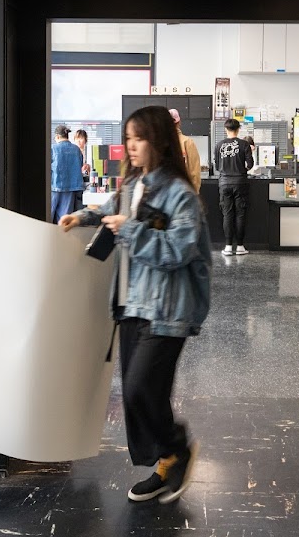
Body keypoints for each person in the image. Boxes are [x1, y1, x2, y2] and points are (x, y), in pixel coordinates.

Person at [60, 105, 211, 504]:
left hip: (167, 310)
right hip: (130, 305)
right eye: (127, 138)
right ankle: (166, 464)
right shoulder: (131, 186)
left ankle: (178, 448)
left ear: (158, 140)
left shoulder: (182, 197)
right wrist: (79, 217)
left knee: (143, 387)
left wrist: (131, 231)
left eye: (138, 138)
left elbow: (177, 250)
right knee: (139, 393)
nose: (130, 146)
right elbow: (110, 209)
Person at [213, 118, 254, 256]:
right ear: (238, 129)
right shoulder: (244, 144)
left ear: (226, 129)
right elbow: (250, 164)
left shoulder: (219, 145)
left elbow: (217, 166)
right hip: (240, 182)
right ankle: (240, 247)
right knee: (240, 214)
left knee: (227, 214)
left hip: (224, 182)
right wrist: (241, 169)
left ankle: (228, 247)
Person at [51, 125, 85, 223]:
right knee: (64, 220)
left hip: (54, 186)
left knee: (48, 217)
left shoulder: (53, 148)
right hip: (71, 188)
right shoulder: (76, 149)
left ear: (57, 137)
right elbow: (80, 165)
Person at [168, 108, 202, 192]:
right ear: (179, 123)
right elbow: (195, 172)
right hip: (183, 192)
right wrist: (194, 193)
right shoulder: (187, 142)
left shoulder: (159, 143)